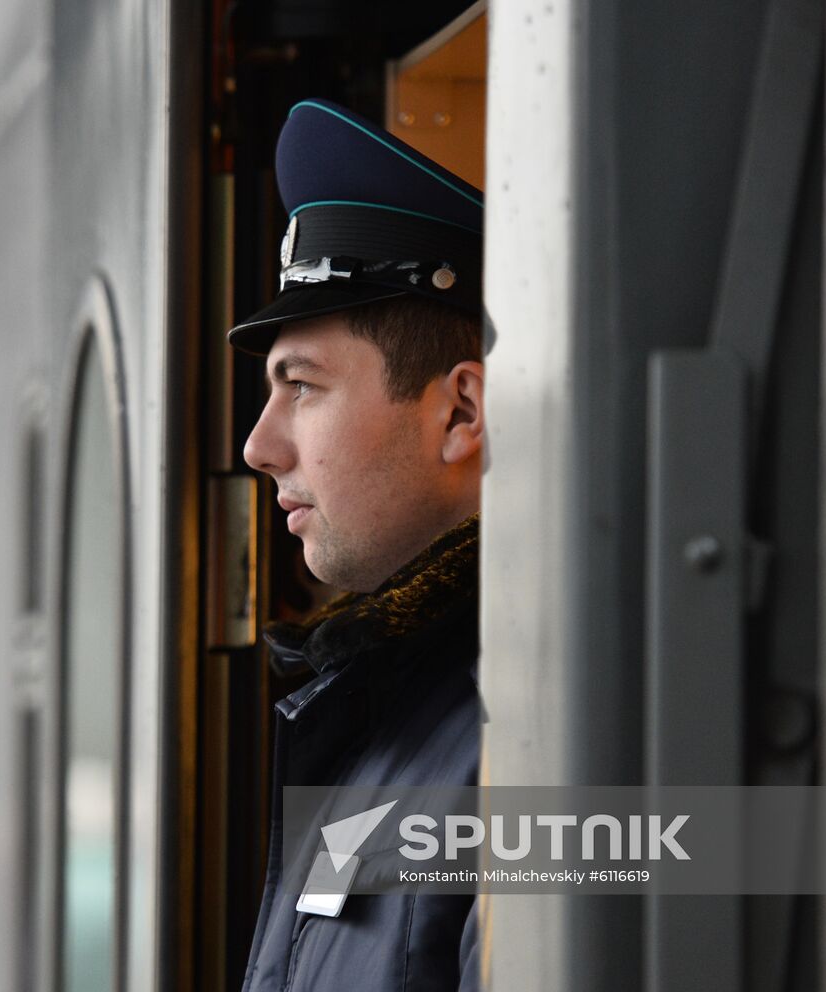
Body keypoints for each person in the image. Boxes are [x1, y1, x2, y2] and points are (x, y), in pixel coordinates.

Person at [228, 99, 486, 992]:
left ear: (460, 412)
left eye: (300, 386)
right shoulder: (387, 715)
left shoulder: (527, 744)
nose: (259, 447)